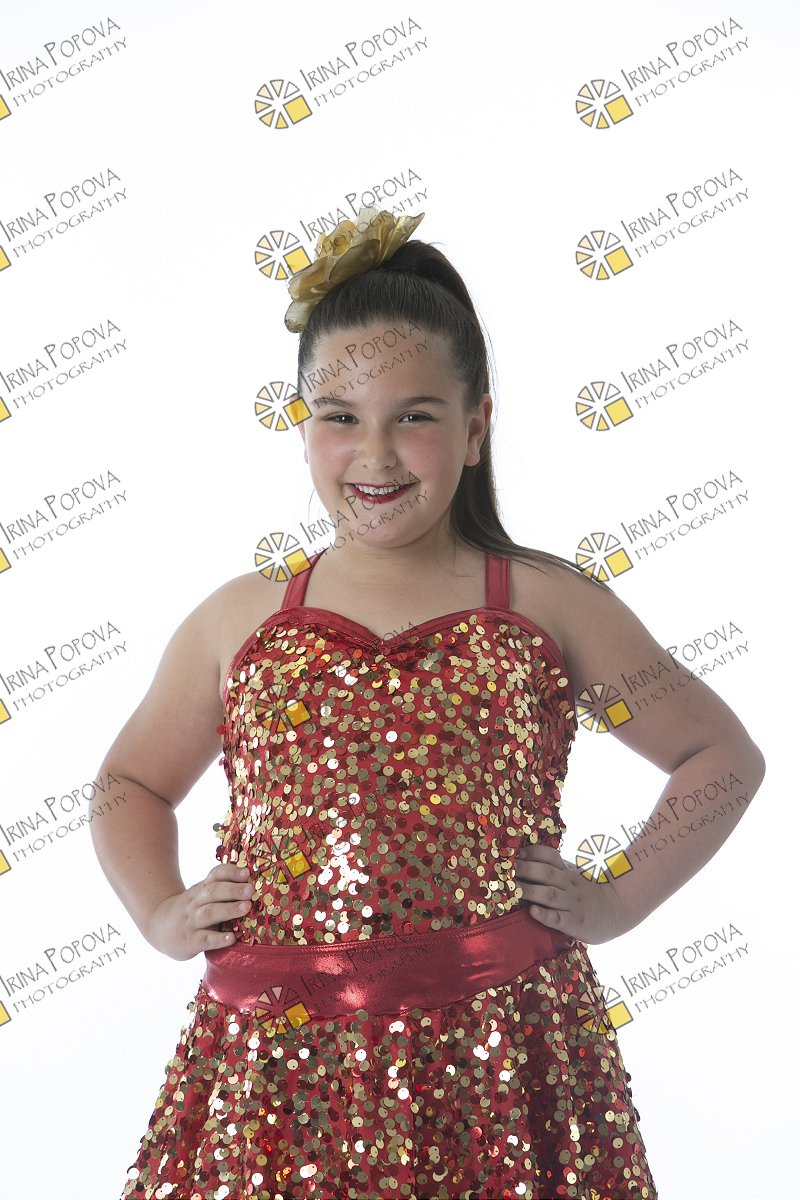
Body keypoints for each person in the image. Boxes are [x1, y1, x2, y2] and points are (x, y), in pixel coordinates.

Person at [94, 208, 765, 1200]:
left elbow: (719, 756)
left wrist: (617, 897)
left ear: (476, 426)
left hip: (500, 1046)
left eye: (413, 417)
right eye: (339, 417)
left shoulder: (545, 603)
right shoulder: (239, 620)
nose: (375, 455)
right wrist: (160, 911)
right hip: (278, 1062)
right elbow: (131, 782)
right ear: (303, 426)